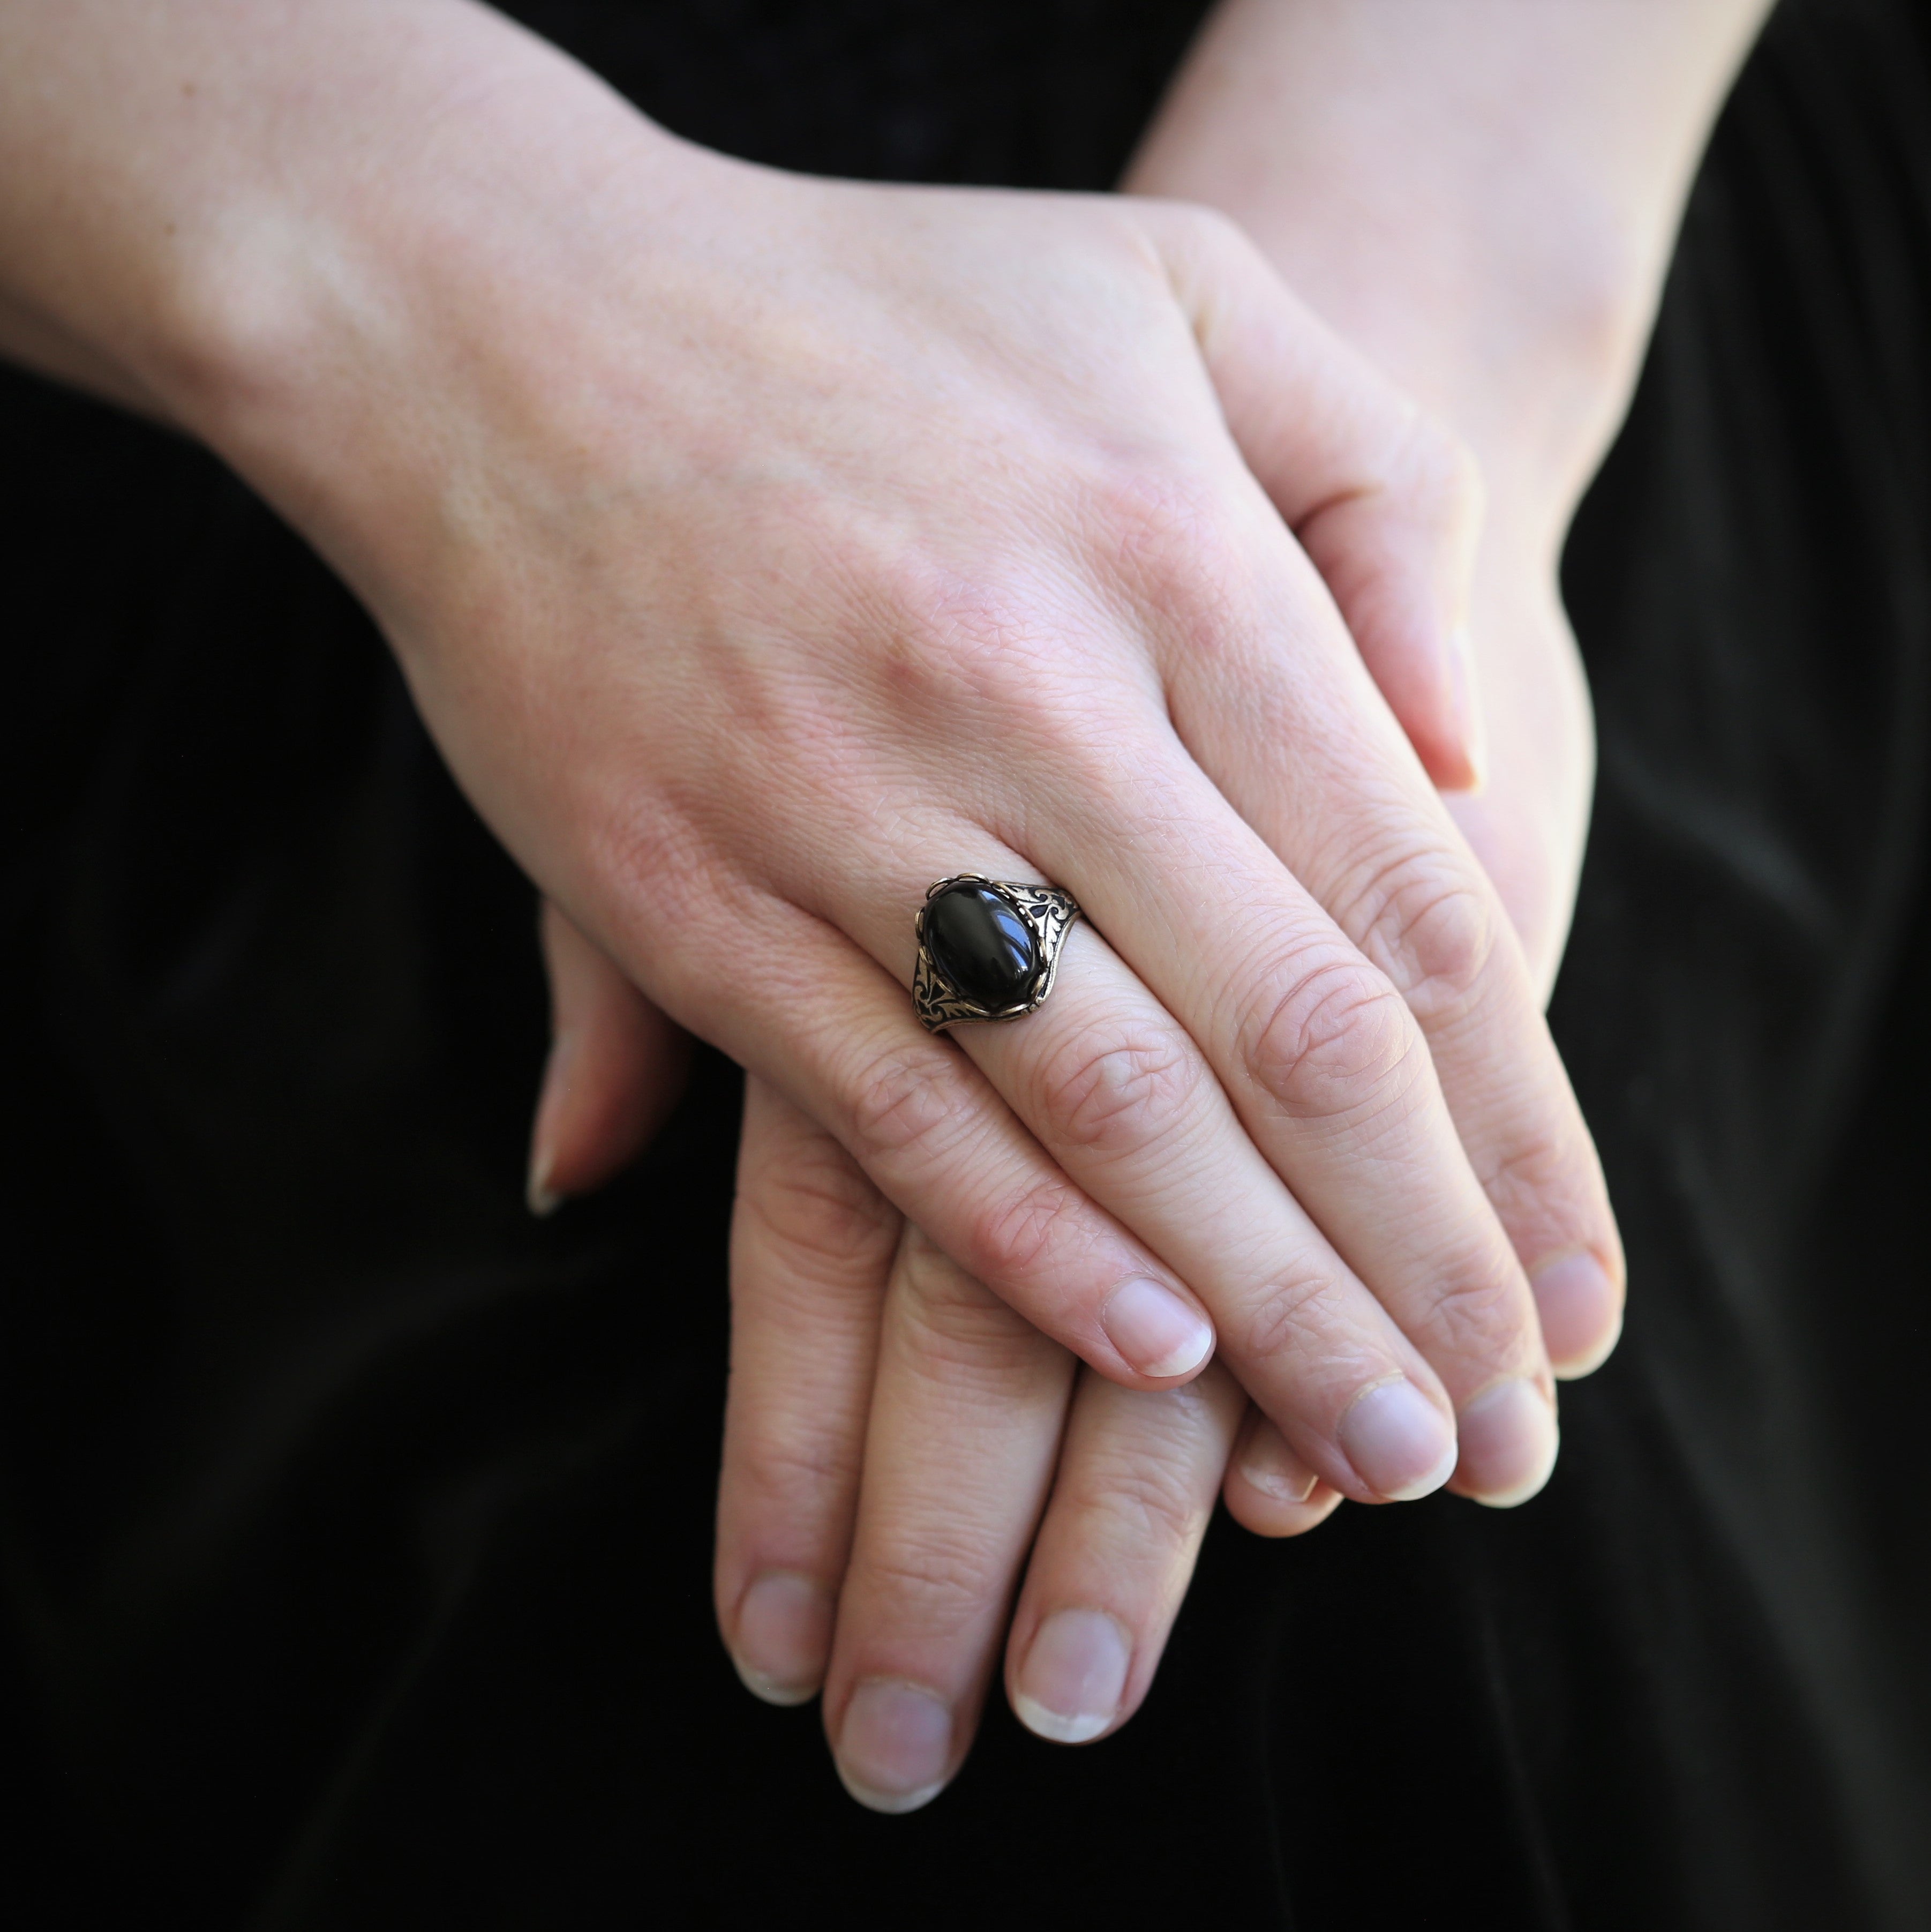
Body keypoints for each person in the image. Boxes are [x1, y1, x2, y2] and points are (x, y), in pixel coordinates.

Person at [2, 2, 1926, 1926]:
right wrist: (475, 309)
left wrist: (1405, 289)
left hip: (1516, 179)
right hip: (202, 276)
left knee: (1375, 1517)